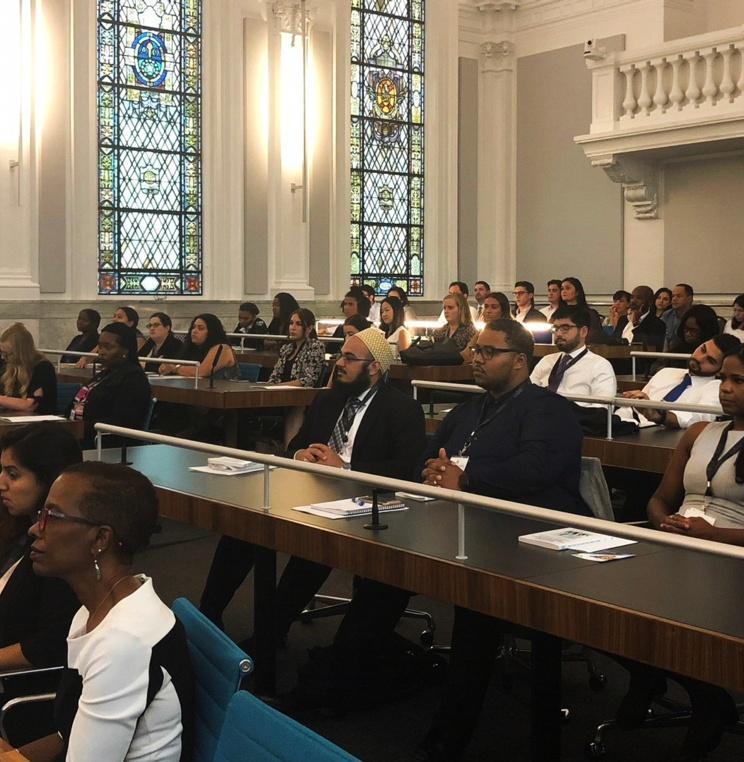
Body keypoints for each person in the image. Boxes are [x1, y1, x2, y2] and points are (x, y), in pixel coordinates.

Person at [414, 319, 588, 760]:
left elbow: (536, 469)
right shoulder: (470, 408)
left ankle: (448, 739)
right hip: (470, 529)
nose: (476, 357)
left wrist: (466, 477)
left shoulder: (548, 408)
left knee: (477, 615)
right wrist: (434, 472)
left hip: (537, 539)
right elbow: (432, 454)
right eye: (475, 350)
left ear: (519, 362)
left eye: (488, 352)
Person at [199, 329, 425, 646]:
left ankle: (270, 634)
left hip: (362, 501)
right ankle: (207, 616)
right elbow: (296, 444)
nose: (338, 363)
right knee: (244, 523)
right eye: (340, 356)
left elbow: (406, 469)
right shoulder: (328, 398)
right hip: (310, 487)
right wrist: (300, 455)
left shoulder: (401, 409)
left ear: (373, 367)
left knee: (314, 547)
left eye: (349, 358)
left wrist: (345, 467)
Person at [613, 346, 744, 760]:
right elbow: (659, 499)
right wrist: (661, 522)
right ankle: (656, 674)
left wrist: (713, 537)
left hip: (729, 554)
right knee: (601, 598)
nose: (725, 388)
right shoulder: (698, 433)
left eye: (738, 381)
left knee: (672, 605)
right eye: (723, 378)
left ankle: (702, 693)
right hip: (679, 541)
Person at [18, 462, 194, 761]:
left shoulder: (122, 644)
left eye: (52, 516)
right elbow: (68, 733)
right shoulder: (93, 612)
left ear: (101, 539)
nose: (36, 528)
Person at [0, 424, 82, 746]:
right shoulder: (20, 529)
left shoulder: (56, 555)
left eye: (13, 474)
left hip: (21, 695)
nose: (2, 483)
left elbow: (50, 645)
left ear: (49, 482)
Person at [618, 334, 740, 429]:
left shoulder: (715, 388)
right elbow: (635, 406)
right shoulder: (666, 372)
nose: (699, 358)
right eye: (702, 349)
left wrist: (659, 415)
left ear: (721, 369)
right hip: (626, 425)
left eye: (710, 360)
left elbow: (696, 419)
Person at [70, 323, 151, 448]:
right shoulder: (106, 373)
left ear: (125, 350)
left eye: (108, 347)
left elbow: (121, 422)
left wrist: (79, 427)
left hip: (102, 442)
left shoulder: (134, 379)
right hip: (79, 433)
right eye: (100, 346)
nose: (101, 352)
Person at [531, 305, 617, 407]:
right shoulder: (547, 361)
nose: (558, 334)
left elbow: (602, 409)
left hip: (578, 420)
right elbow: (528, 394)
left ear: (583, 331)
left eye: (565, 328)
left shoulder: (599, 366)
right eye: (555, 328)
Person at [0, 324, 57, 416]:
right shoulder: (8, 366)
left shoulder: (43, 368)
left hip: (39, 423)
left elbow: (30, 405)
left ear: (20, 352)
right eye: (2, 352)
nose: (3, 357)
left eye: (7, 354)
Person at [159, 313, 237, 379]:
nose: (194, 331)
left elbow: (201, 372)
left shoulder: (222, 348)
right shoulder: (193, 347)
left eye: (201, 328)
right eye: (193, 327)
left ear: (212, 332)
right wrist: (166, 368)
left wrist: (174, 368)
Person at [267, 308, 325, 387]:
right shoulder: (286, 348)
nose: (292, 327)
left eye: (299, 324)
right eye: (291, 323)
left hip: (301, 394)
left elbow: (309, 380)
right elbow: (275, 375)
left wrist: (280, 386)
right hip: (279, 392)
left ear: (310, 328)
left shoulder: (315, 346)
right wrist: (270, 385)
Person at [75, 307, 145, 368]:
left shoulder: (138, 339)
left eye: (119, 317)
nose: (115, 319)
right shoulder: (110, 335)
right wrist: (85, 358)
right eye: (114, 316)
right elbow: (91, 355)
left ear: (131, 323)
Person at [461, 292, 512, 361]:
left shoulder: (511, 331)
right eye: (486, 307)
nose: (488, 311)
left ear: (503, 310)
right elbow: (465, 355)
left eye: (494, 307)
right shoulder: (482, 331)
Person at [560, 277, 605, 343]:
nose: (563, 291)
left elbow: (595, 336)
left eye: (568, 288)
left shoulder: (590, 313)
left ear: (577, 292)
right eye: (562, 289)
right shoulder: (558, 313)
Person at [620, 285, 667, 350]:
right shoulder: (623, 319)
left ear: (650, 302)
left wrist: (636, 323)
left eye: (639, 298)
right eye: (632, 297)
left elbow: (649, 349)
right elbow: (613, 342)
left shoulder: (657, 324)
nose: (633, 301)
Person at [662, 283, 695, 350]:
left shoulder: (696, 314)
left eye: (678, 296)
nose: (674, 299)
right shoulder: (667, 315)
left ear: (689, 298)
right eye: (673, 296)